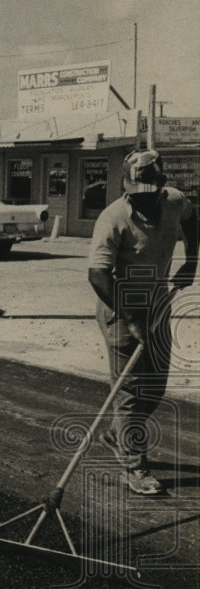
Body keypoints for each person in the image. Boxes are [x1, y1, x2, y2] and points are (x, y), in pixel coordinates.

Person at [88, 149, 197, 495]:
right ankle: (134, 467)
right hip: (120, 307)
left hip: (158, 305)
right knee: (132, 392)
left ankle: (117, 434)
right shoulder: (113, 217)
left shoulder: (175, 201)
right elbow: (98, 275)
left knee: (154, 388)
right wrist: (131, 318)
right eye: (135, 193)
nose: (141, 199)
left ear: (162, 185)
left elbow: (193, 218)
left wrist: (191, 260)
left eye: (149, 193)